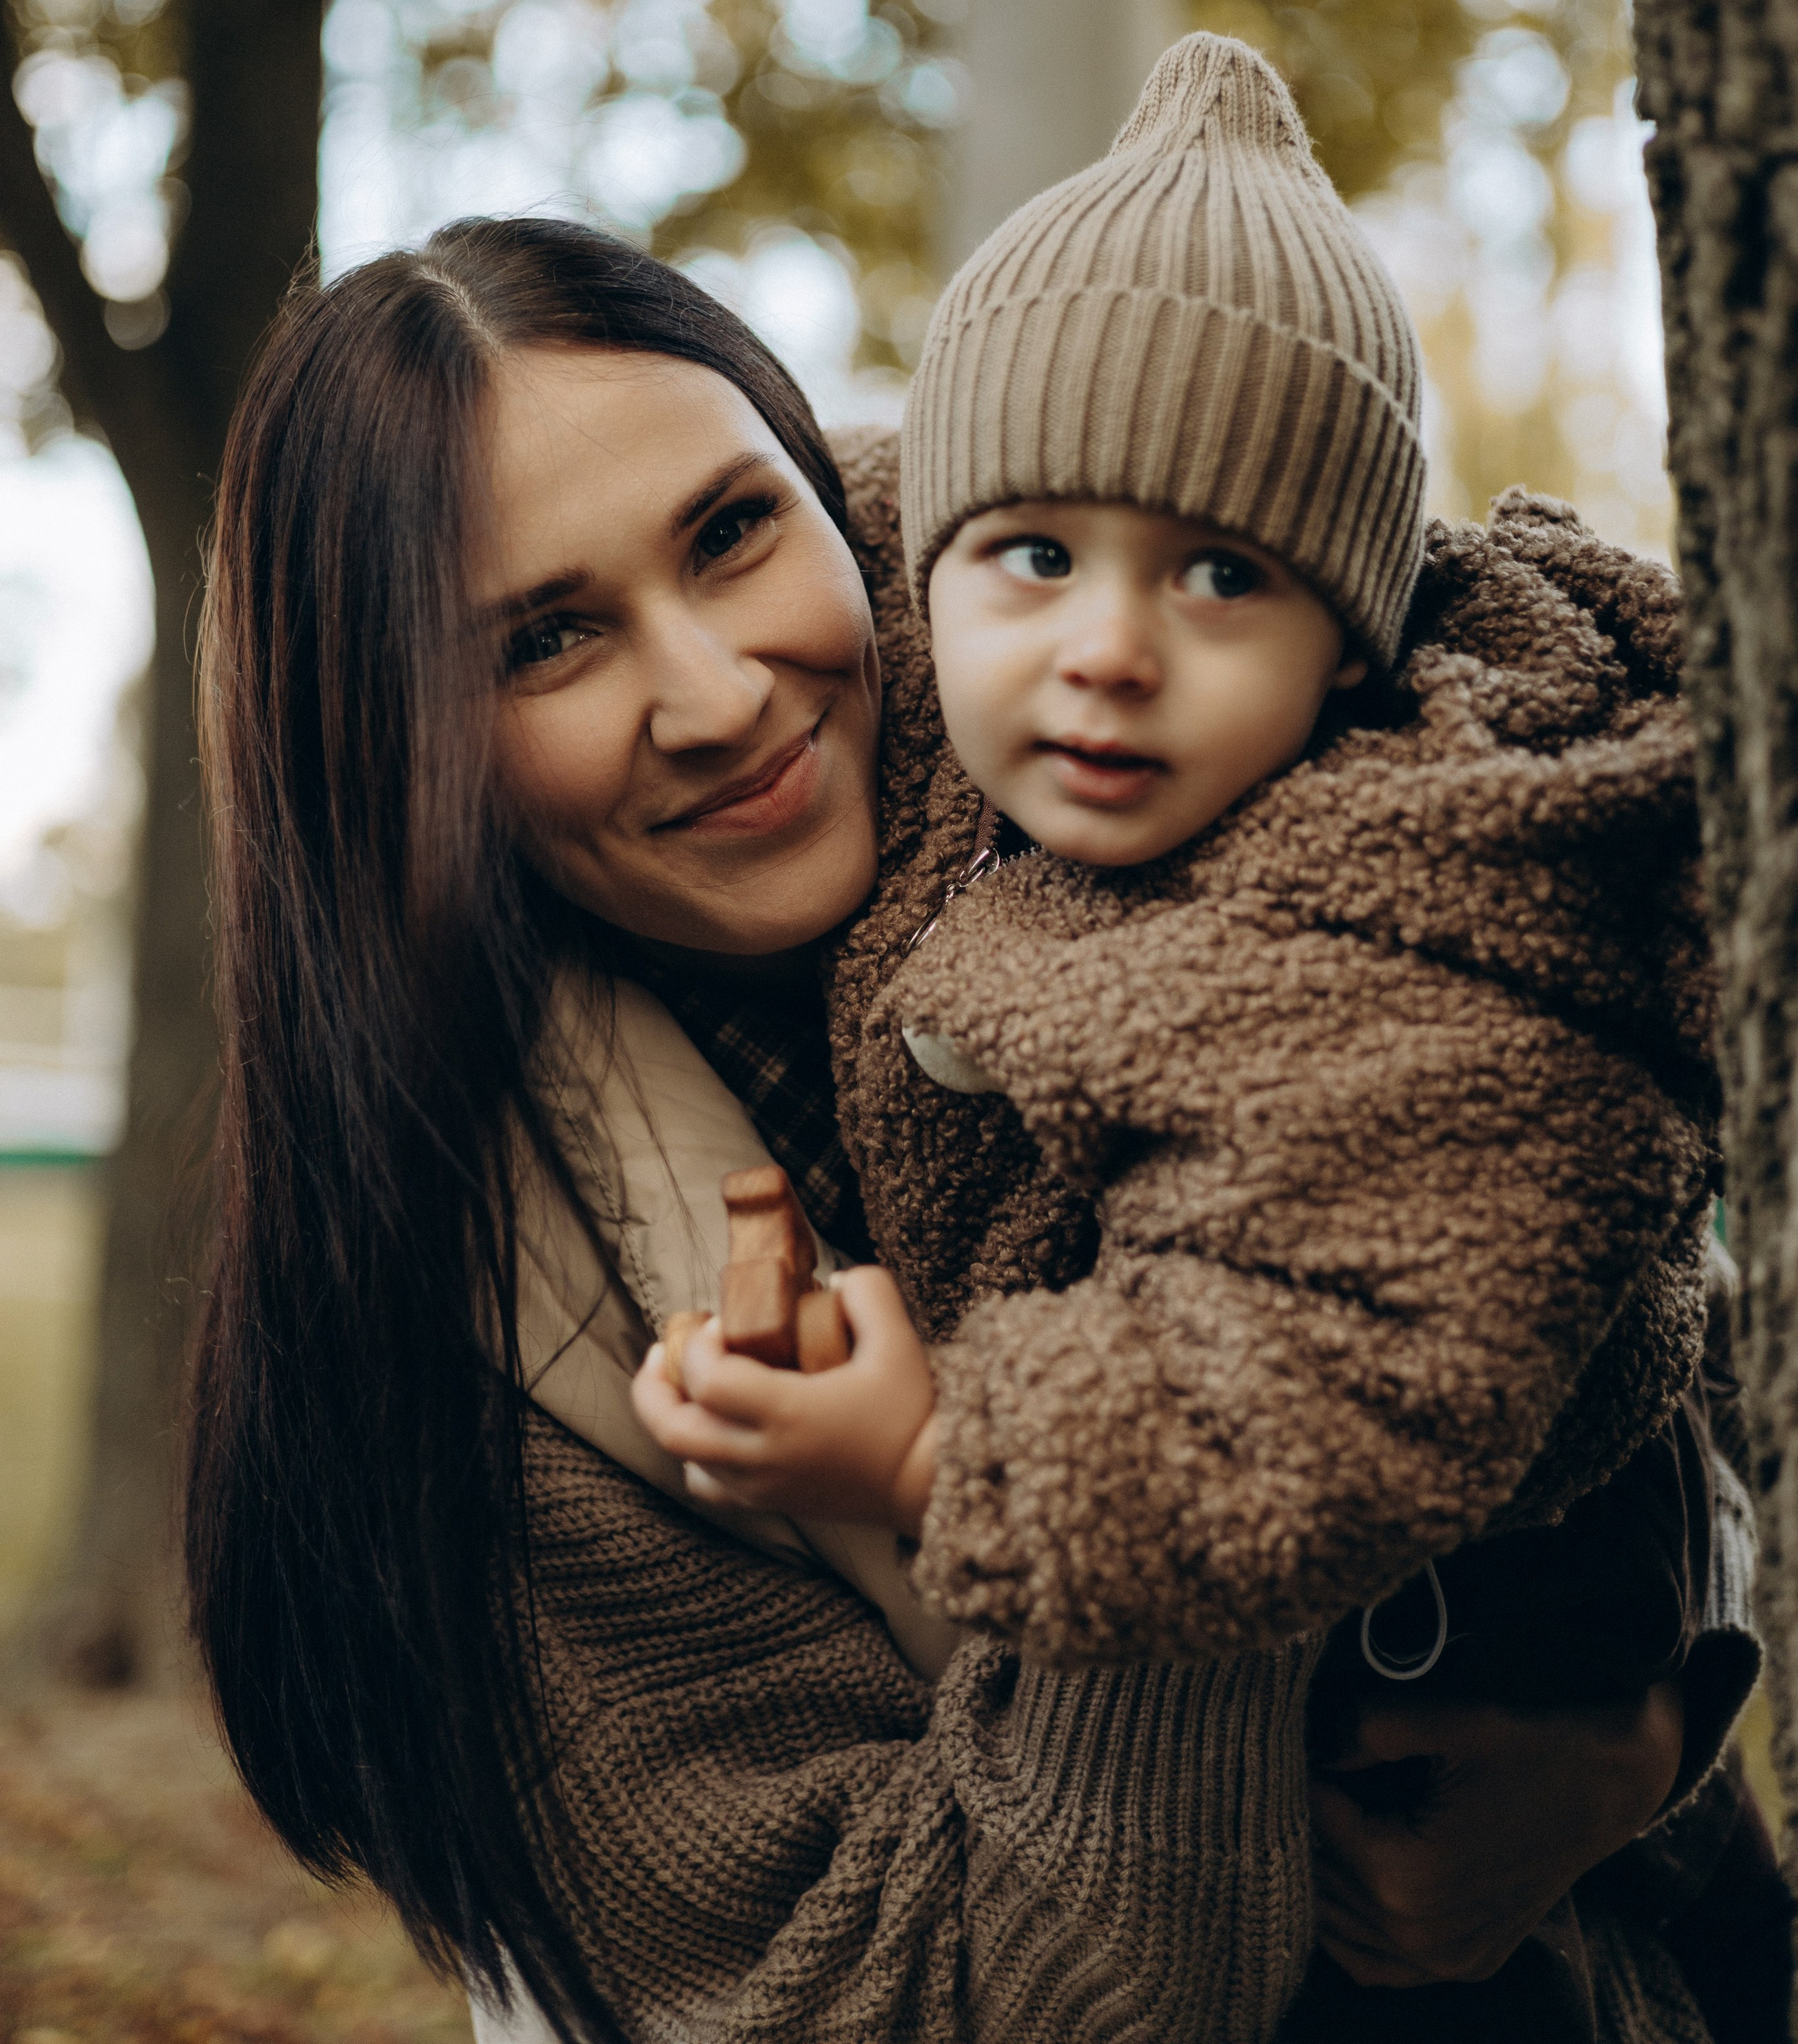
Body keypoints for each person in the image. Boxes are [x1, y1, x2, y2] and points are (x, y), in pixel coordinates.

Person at [186, 216, 1746, 2044]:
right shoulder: (475, 1337)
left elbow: (1593, 1234)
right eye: (546, 640)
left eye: (731, 532)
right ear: (398, 750)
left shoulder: (1141, 711)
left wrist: (1647, 1716)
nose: (720, 695)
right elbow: (907, 1996)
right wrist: (1140, 1460)